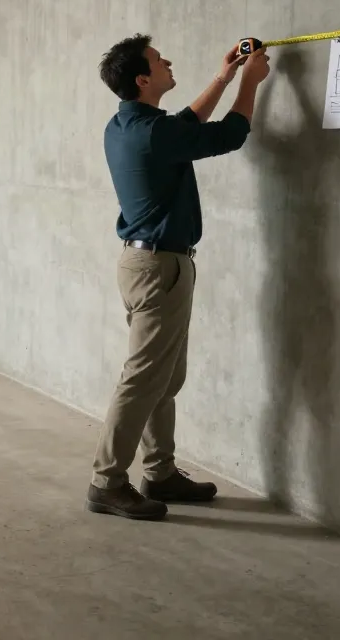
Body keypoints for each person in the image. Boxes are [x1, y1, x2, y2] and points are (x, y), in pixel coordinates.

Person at [86, 33, 271, 521]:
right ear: (143, 78)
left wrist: (225, 75)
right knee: (144, 379)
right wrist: (251, 83)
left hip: (149, 264)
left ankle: (160, 472)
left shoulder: (127, 124)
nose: (168, 61)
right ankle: (106, 482)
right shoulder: (153, 134)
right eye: (158, 59)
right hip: (159, 268)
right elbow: (229, 134)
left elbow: (185, 124)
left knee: (163, 378)